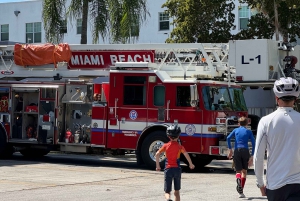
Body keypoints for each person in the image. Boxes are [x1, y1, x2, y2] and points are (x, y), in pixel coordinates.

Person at [254, 77, 300, 201]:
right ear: (295, 99)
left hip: (276, 184)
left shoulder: (266, 121)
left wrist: (260, 182)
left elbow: (258, 155)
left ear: (276, 97)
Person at [155, 124, 195, 201]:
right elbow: (186, 154)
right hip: (177, 170)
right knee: (177, 192)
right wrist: (190, 164)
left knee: (167, 191)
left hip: (168, 169)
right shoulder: (180, 147)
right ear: (178, 136)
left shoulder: (165, 146)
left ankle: (168, 199)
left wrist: (158, 166)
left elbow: (157, 154)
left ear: (168, 136)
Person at [227, 116, 255, 198]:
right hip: (245, 150)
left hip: (237, 150)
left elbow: (228, 138)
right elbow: (254, 143)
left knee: (238, 171)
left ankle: (238, 181)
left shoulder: (236, 130)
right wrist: (252, 155)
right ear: (247, 123)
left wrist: (230, 149)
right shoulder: (249, 131)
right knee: (244, 171)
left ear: (238, 123)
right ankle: (241, 190)